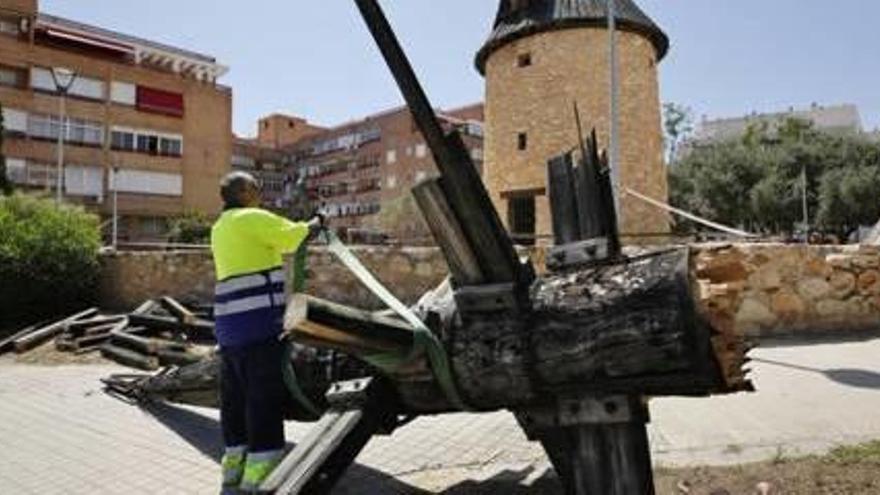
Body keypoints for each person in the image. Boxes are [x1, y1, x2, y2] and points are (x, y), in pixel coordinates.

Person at [210, 171, 324, 491]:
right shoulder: (251, 217)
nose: (260, 192)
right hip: (258, 324)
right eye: (255, 187)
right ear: (244, 192)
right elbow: (293, 237)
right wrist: (318, 222)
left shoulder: (220, 227)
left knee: (234, 398)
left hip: (228, 328)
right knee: (262, 396)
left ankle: (233, 464)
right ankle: (262, 466)